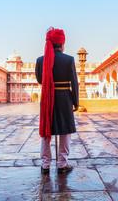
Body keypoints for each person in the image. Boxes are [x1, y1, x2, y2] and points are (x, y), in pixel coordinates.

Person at [35, 27, 79, 175]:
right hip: (64, 98)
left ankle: (46, 164)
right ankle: (62, 163)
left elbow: (40, 80)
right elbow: (74, 82)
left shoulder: (40, 60)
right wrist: (75, 102)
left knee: (46, 130)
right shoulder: (69, 59)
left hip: (48, 98)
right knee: (65, 131)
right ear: (61, 44)